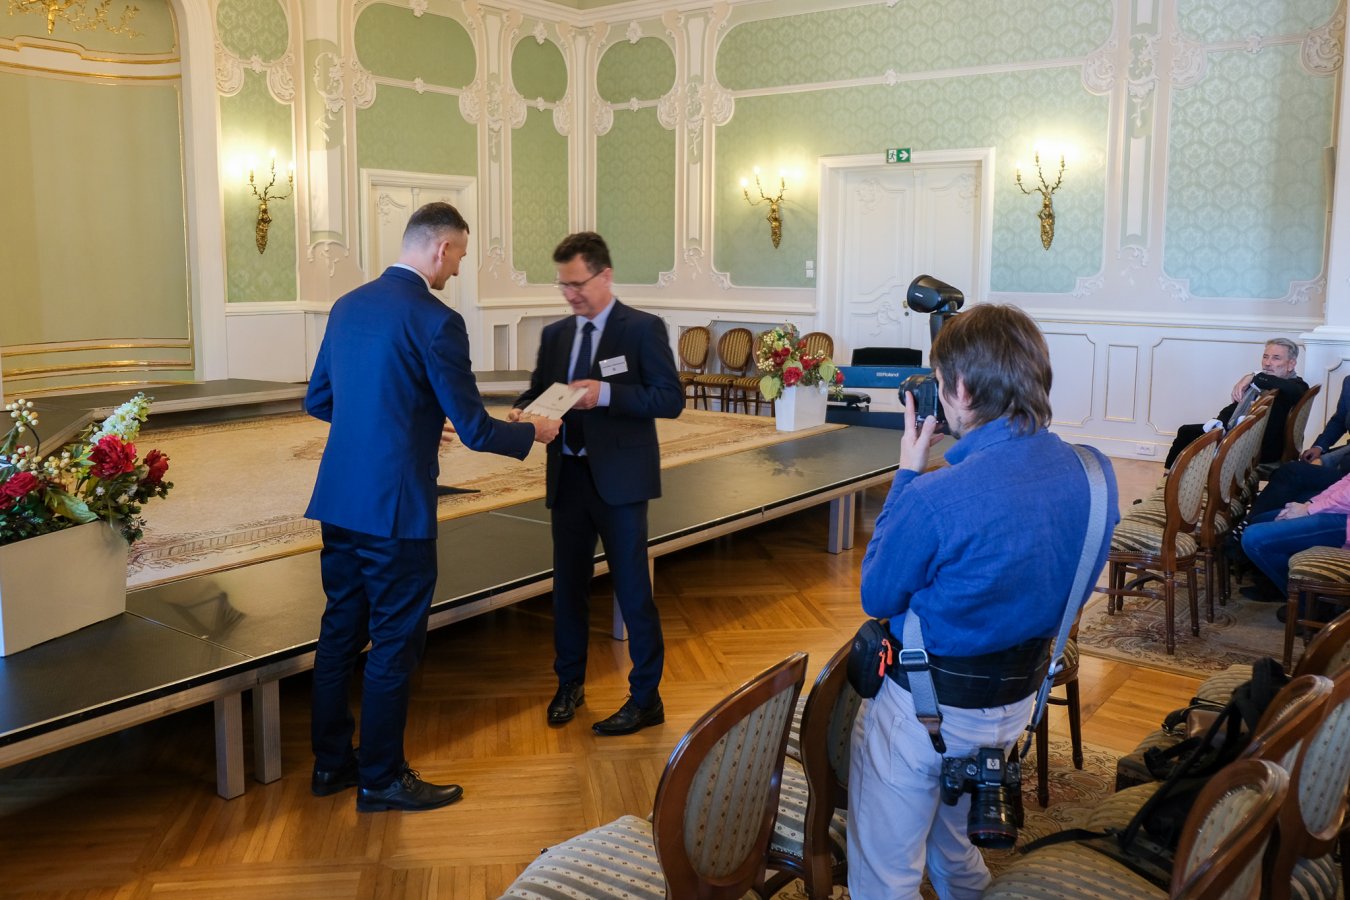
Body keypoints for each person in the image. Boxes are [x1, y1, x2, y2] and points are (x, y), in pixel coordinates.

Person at [846, 304, 1118, 898]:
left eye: (941, 384)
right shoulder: (1095, 475)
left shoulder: (937, 496)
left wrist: (907, 474)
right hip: (1015, 707)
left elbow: (876, 594)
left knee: (884, 874)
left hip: (925, 712)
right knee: (954, 845)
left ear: (962, 389)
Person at [305, 202, 560, 812]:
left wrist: (409, 419)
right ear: (442, 248)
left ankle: (331, 766)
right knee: (395, 643)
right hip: (395, 511)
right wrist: (536, 432)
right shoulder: (437, 320)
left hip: (338, 499)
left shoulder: (347, 305)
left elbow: (319, 400)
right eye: (460, 256)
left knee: (339, 634)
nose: (458, 269)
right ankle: (382, 779)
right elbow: (475, 429)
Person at [509, 232, 683, 736]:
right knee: (568, 590)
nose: (570, 295)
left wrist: (605, 394)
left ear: (605, 275)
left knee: (633, 592)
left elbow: (669, 399)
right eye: (563, 285)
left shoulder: (642, 329)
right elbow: (540, 390)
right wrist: (524, 410)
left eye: (577, 284)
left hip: (621, 483)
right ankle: (569, 685)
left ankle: (646, 698)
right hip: (567, 477)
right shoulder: (556, 335)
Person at [1163, 338, 1307, 469]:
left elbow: (1279, 384)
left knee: (1189, 436)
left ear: (1291, 364)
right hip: (1240, 437)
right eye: (1265, 357)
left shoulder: (1296, 386)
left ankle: (1172, 483)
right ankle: (1169, 480)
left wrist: (1253, 376)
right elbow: (1231, 409)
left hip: (1259, 449)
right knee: (1186, 431)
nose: (1267, 363)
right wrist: (1220, 424)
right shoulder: (1263, 384)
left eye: (1276, 358)